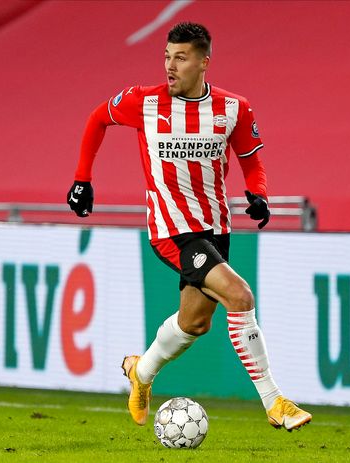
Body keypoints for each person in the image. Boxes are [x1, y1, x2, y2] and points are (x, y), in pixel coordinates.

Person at [66, 22, 311, 431]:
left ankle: (139, 372)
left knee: (195, 322)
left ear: (203, 62)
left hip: (215, 227)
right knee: (240, 295)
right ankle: (275, 401)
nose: (169, 66)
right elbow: (96, 119)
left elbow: (251, 158)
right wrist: (82, 178)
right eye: (166, 56)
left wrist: (259, 192)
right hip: (171, 230)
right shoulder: (143, 102)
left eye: (180, 57)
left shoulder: (234, 108)